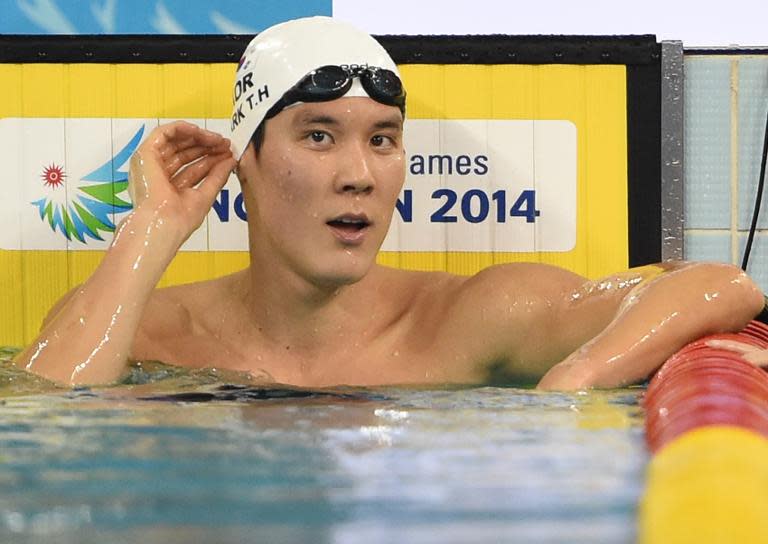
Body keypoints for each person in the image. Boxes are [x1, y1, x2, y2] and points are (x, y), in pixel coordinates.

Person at [12, 16, 765, 390]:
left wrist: (574, 381)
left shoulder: (472, 318)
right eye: (317, 136)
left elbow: (722, 285)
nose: (360, 175)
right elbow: (44, 420)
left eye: (382, 140)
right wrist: (151, 228)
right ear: (246, 161)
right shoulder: (150, 327)